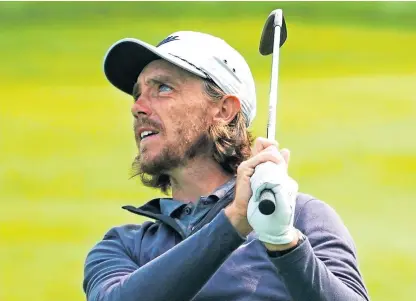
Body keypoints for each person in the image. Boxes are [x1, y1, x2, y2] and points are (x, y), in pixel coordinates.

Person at [83, 31, 370, 301]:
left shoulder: (302, 218)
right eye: (137, 94)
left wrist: (286, 244)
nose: (138, 107)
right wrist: (234, 221)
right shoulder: (124, 246)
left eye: (163, 88)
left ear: (223, 110)